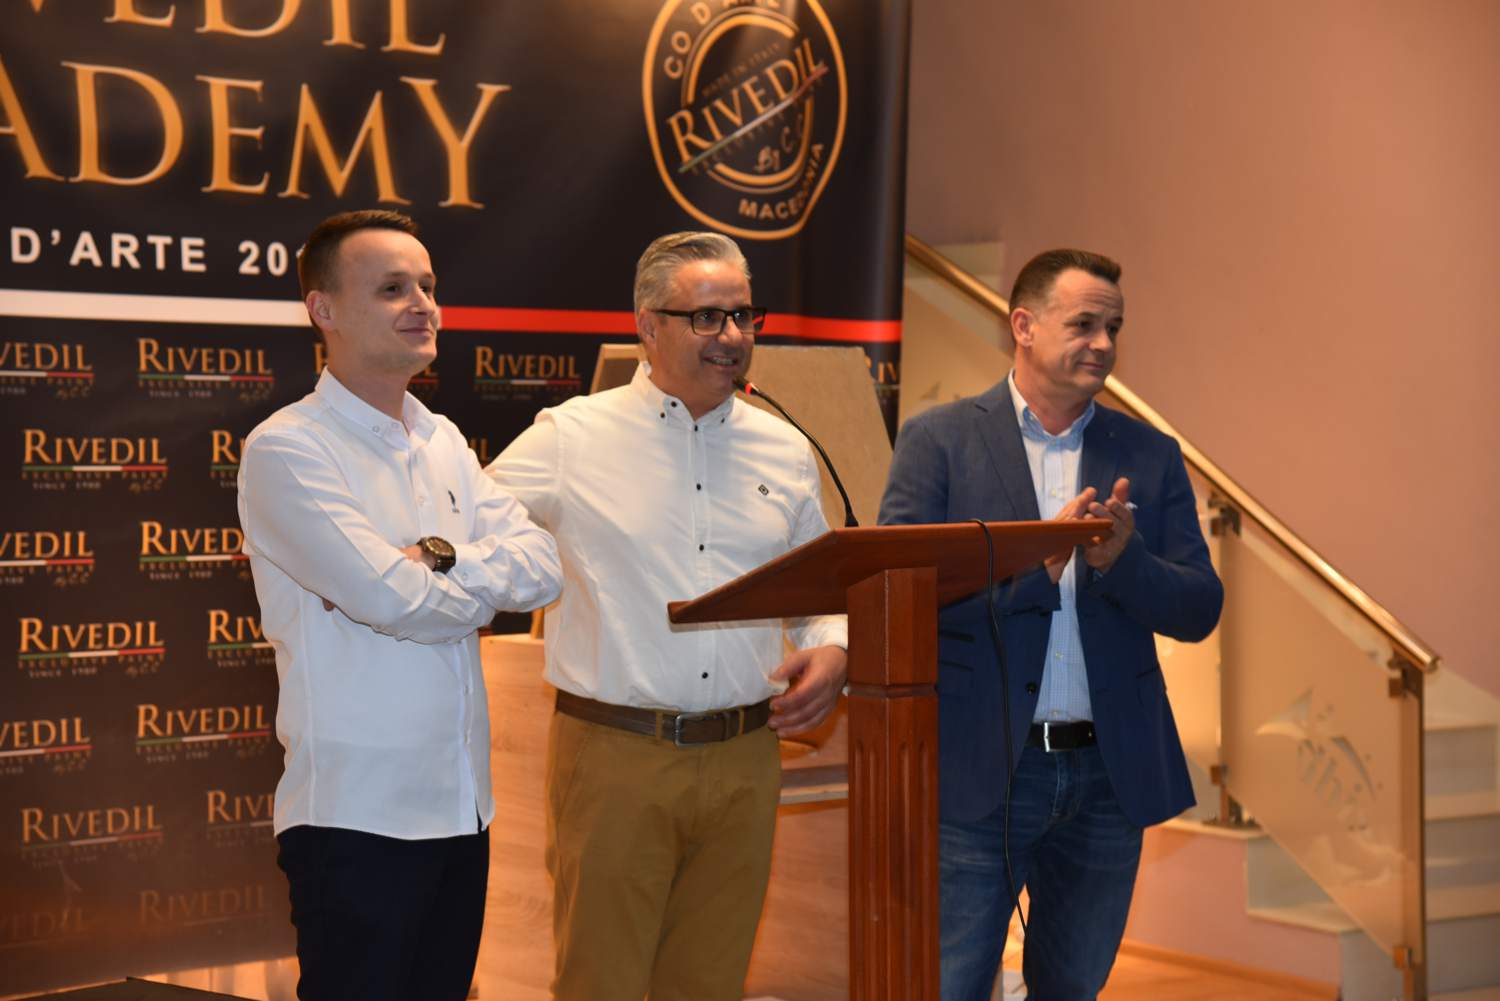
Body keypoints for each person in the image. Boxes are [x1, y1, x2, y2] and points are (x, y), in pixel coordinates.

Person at [487, 231, 849, 1001]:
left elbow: (822, 593)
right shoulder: (570, 437)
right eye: (707, 317)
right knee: (601, 985)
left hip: (748, 756)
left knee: (711, 985)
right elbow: (470, 525)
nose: (733, 337)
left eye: (744, 316)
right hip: (617, 755)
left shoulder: (785, 449)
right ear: (648, 326)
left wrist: (834, 649)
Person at [878, 248, 1223, 1000]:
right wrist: (1035, 569)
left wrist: (1123, 562)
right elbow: (898, 599)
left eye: (1114, 328)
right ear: (1024, 326)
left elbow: (1200, 608)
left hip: (1108, 776)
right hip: (980, 771)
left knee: (1072, 988)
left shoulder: (1150, 453)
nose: (1103, 343)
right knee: (948, 984)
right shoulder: (939, 441)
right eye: (1084, 324)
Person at [236, 209, 562, 1001]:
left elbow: (544, 568)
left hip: (464, 810)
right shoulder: (288, 448)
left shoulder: (442, 438)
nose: (423, 304)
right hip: (356, 819)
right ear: (324, 310)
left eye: (428, 285)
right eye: (392, 288)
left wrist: (439, 558)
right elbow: (393, 598)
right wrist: (457, 589)